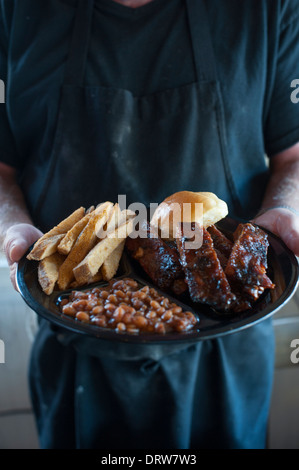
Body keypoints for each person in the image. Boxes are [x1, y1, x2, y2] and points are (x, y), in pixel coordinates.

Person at [1, 0, 299, 449]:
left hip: (231, 351)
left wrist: (286, 210)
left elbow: (294, 157)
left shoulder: (270, 7)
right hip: (72, 340)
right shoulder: (12, 10)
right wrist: (12, 227)